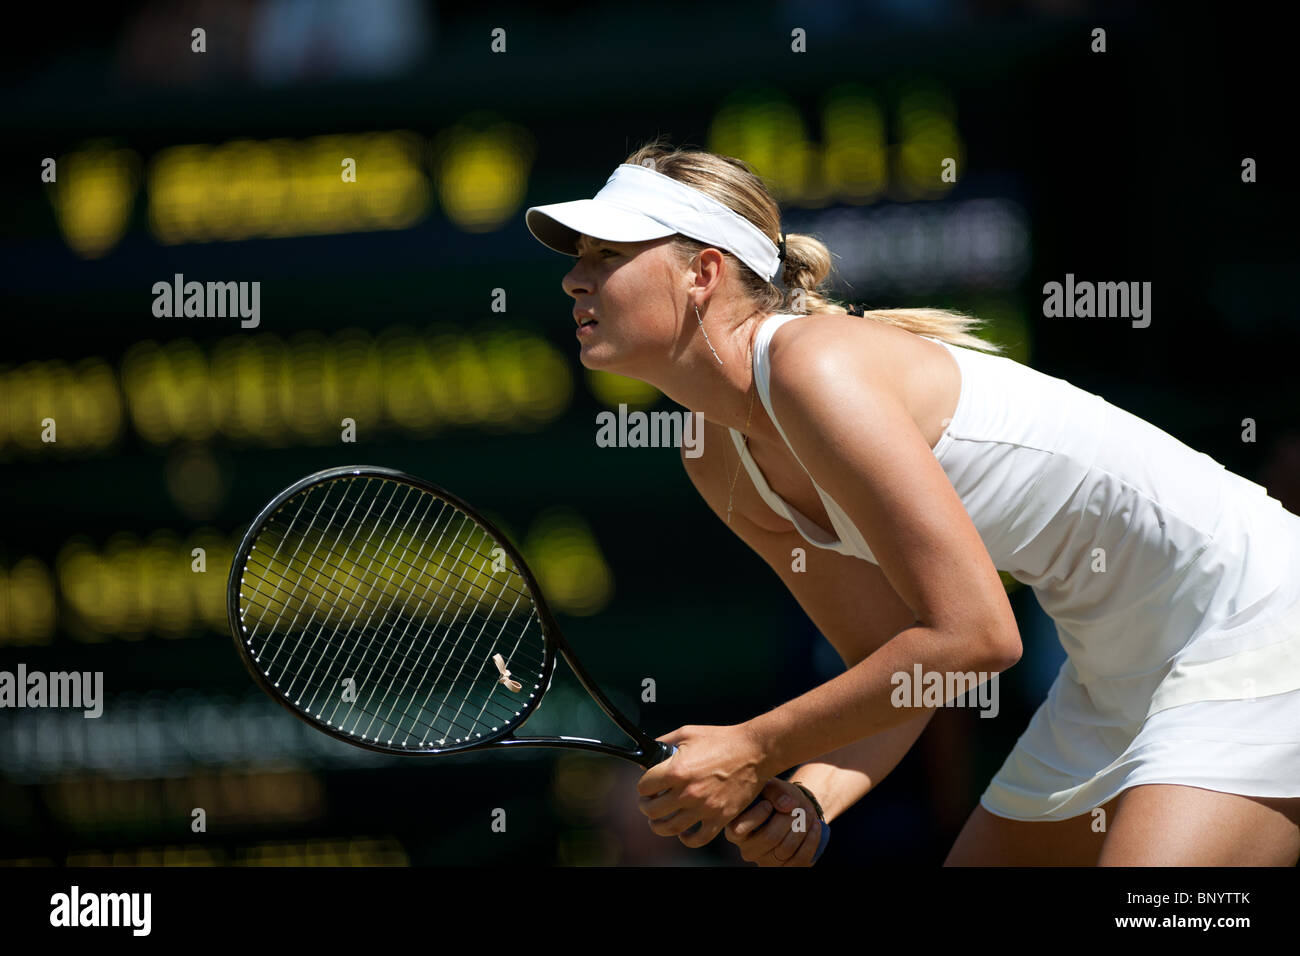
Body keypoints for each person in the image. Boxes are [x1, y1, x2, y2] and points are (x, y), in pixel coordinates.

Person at [523, 138, 1300, 866]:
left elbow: (975, 638)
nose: (573, 278)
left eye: (610, 255)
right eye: (580, 259)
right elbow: (902, 667)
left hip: (1256, 621)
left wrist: (756, 745)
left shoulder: (813, 369)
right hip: (1114, 673)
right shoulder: (712, 452)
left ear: (704, 273)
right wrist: (811, 798)